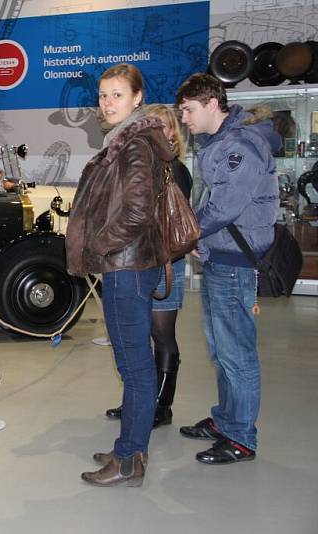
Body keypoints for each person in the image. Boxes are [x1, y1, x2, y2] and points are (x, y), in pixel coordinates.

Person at [66, 63, 174, 486]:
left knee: (135, 367)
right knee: (133, 365)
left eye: (116, 94)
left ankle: (129, 460)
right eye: (103, 94)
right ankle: (129, 446)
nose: (107, 102)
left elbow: (136, 211)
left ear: (137, 98)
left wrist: (98, 243)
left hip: (127, 266)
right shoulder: (127, 140)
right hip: (126, 265)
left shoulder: (134, 144)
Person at [175, 73, 279, 464]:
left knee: (237, 354)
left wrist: (187, 235)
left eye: (189, 109)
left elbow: (225, 207)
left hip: (235, 262)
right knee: (221, 351)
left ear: (213, 104)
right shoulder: (219, 144)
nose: (184, 117)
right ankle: (226, 420)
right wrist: (201, 241)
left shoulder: (241, 147)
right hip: (221, 257)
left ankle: (241, 438)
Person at [104, 104, 193, 428]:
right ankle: (140, 401)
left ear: (172, 132)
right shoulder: (143, 166)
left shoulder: (175, 170)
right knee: (137, 338)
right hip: (142, 262)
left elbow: (170, 219)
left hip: (167, 263)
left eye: (163, 126)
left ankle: (161, 405)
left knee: (161, 334)